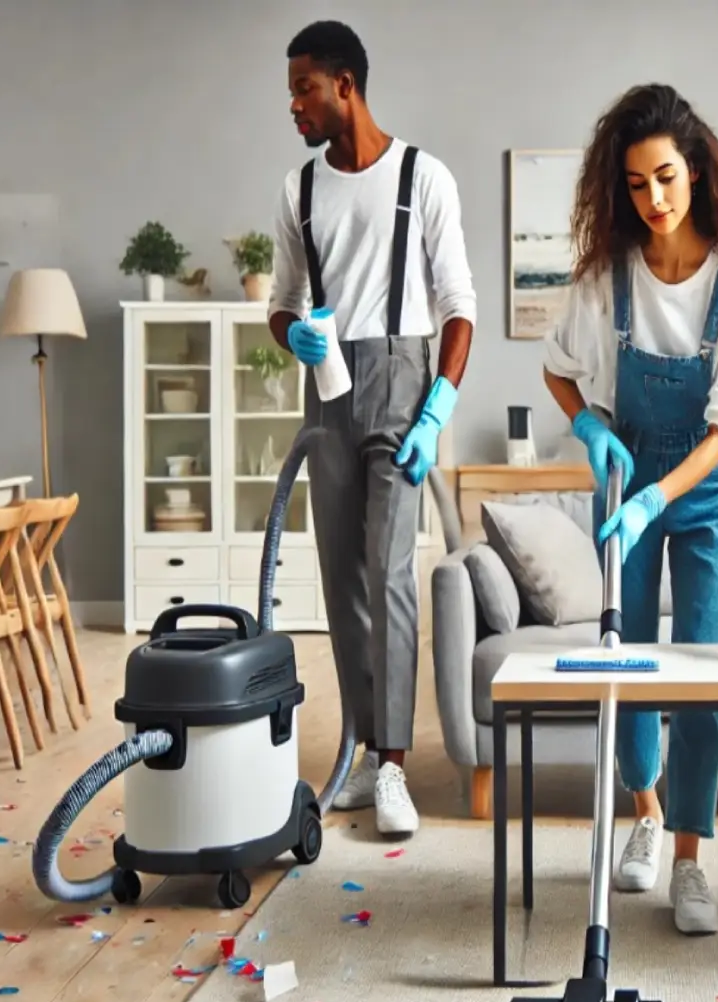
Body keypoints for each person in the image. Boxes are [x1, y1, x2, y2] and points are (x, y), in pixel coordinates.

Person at [540, 83, 718, 936]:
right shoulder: (608, 277)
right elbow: (558, 369)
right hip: (625, 475)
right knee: (626, 663)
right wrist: (589, 424)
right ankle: (643, 811)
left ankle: (689, 858)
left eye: (667, 177)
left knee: (702, 675)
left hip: (704, 493)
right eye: (636, 185)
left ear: (698, 170)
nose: (655, 199)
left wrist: (654, 503)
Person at [268, 20, 477, 838]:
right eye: (291, 91)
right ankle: (359, 747)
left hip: (403, 388)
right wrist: (294, 335)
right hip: (328, 392)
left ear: (345, 85)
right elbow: (282, 304)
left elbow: (459, 309)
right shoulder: (298, 191)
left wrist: (437, 411)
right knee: (341, 582)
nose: (294, 106)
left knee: (389, 574)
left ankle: (394, 766)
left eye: (304, 89)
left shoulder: (424, 178)